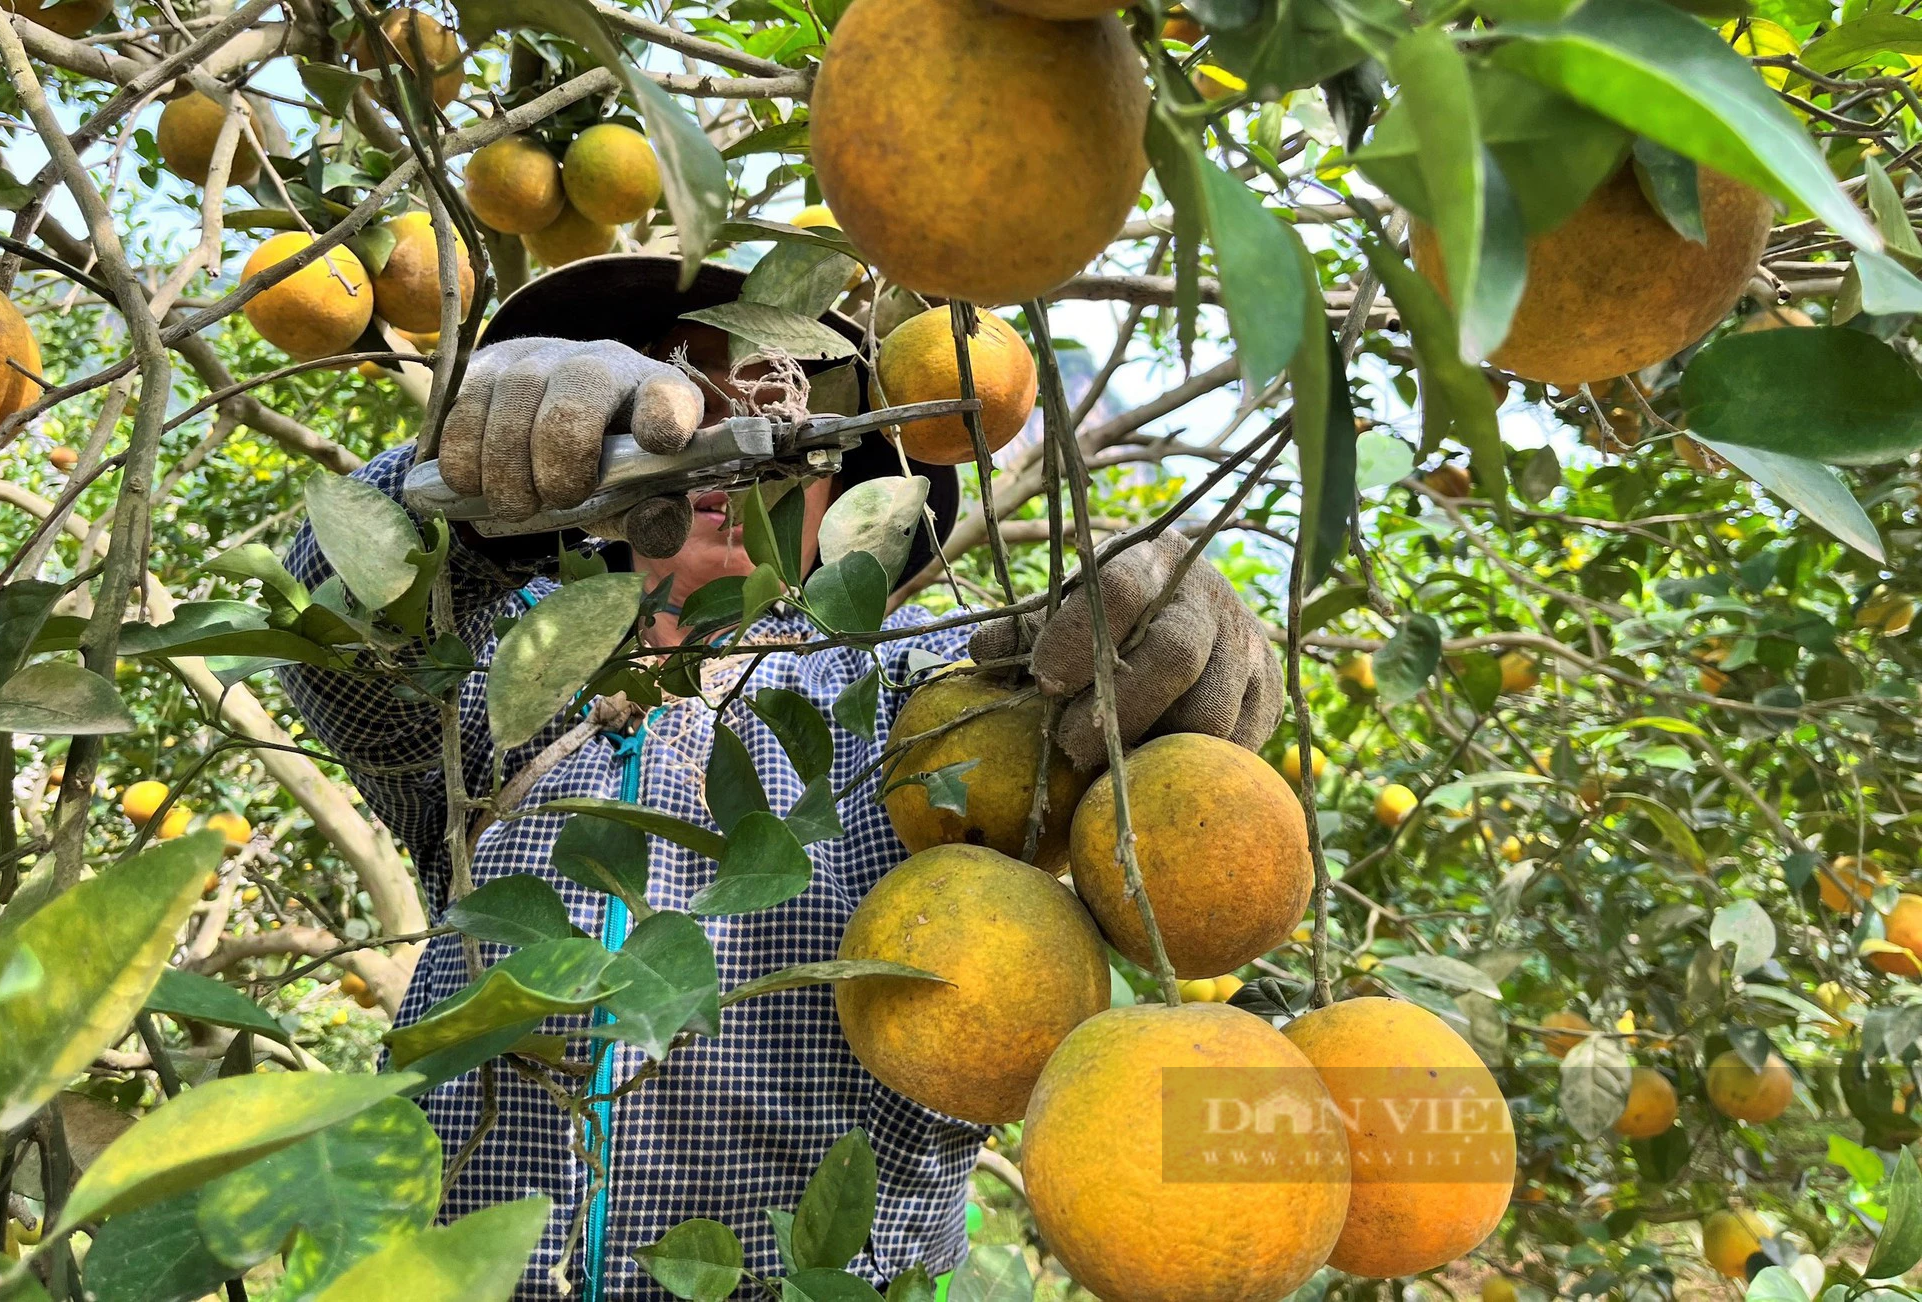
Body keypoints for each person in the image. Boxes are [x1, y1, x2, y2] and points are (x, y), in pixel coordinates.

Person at [276, 254, 1281, 1299]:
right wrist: (457, 485)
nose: (715, 437)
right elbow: (332, 617)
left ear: (842, 488)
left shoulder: (924, 709)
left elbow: (1145, 791)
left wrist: (1178, 636)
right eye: (667, 397)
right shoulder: (499, 685)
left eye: (770, 408)